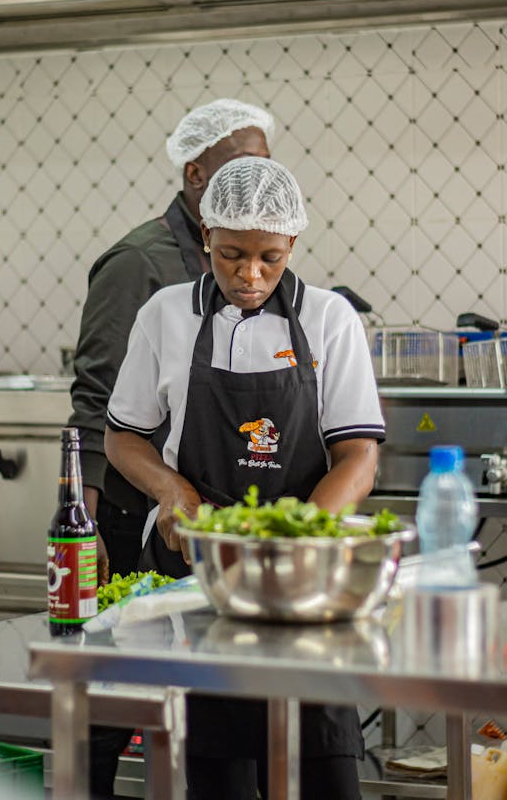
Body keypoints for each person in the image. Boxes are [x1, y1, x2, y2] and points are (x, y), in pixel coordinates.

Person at [105, 156, 385, 800]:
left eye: (270, 258)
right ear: (205, 236)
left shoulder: (328, 319)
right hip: (197, 578)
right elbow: (123, 436)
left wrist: (298, 534)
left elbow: (358, 458)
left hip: (304, 589)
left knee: (325, 774)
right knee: (216, 775)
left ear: (292, 245)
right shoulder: (165, 315)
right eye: (231, 254)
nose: (250, 275)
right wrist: (174, 493)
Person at [67, 98, 273, 799]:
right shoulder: (138, 263)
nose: (258, 180)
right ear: (195, 172)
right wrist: (86, 517)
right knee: (111, 681)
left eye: (265, 166)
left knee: (194, 687)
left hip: (195, 518)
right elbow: (96, 400)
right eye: (243, 165)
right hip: (131, 509)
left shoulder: (234, 258)